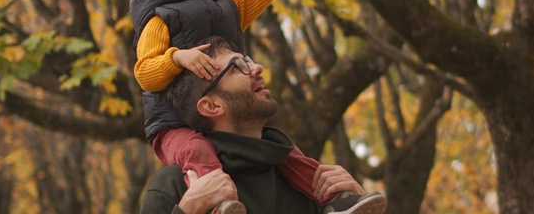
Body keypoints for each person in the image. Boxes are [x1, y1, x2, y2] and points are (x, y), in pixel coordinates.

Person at [128, 0, 374, 213]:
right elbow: (145, 72)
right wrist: (177, 58)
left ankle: (336, 202)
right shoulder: (159, 20)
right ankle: (218, 200)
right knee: (196, 151)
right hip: (173, 124)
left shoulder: (225, 8)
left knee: (290, 153)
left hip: (213, 121)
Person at [143, 35, 387, 214]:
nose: (257, 68)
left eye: (248, 61)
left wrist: (356, 197)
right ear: (212, 106)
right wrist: (187, 211)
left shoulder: (309, 186)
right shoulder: (177, 185)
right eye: (237, 67)